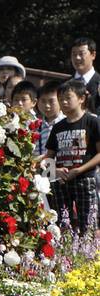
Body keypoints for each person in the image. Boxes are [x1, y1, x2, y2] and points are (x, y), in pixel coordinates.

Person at [43, 79, 100, 234]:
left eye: (68, 98)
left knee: (88, 224)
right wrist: (56, 170)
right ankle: (65, 257)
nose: (64, 102)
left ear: (81, 98)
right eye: (61, 99)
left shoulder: (92, 122)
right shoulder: (57, 127)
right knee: (62, 224)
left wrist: (80, 169)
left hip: (85, 179)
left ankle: (89, 257)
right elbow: (48, 158)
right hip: (61, 181)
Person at [69, 37, 99, 112]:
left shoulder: (98, 83)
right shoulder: (65, 83)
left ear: (93, 55)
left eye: (81, 54)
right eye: (74, 54)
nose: (77, 58)